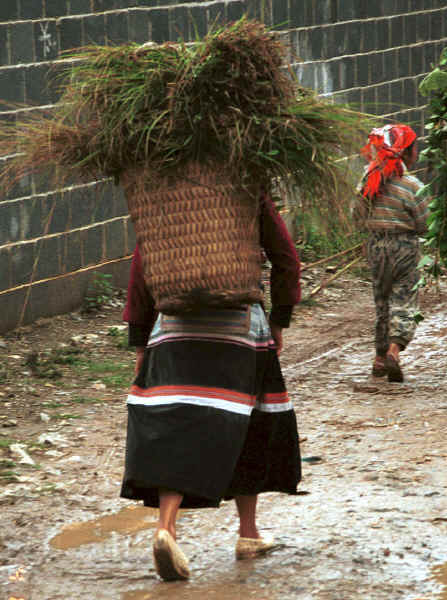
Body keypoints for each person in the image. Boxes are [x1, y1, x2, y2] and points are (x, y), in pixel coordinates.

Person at [120, 191, 302, 581]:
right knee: (250, 422)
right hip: (238, 324)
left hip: (173, 324)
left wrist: (139, 338)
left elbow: (141, 269)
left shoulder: (161, 199)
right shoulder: (250, 194)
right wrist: (280, 317)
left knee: (176, 424)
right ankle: (248, 532)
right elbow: (286, 259)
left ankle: (167, 528)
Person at [353, 124, 429, 382]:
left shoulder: (368, 180)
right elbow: (425, 223)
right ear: (407, 153)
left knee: (382, 302)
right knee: (404, 301)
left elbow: (357, 215)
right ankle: (394, 351)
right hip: (404, 247)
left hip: (375, 246)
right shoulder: (412, 185)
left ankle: (378, 358)